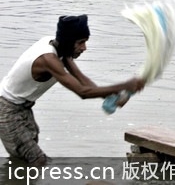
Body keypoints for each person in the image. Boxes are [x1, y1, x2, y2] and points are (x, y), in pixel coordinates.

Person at [0, 15, 145, 165]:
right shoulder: (48, 59)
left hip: (23, 107)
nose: (84, 48)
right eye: (81, 43)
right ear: (68, 41)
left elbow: (85, 84)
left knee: (24, 157)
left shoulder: (60, 48)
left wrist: (116, 96)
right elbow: (83, 93)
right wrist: (125, 86)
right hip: (7, 109)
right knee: (38, 160)